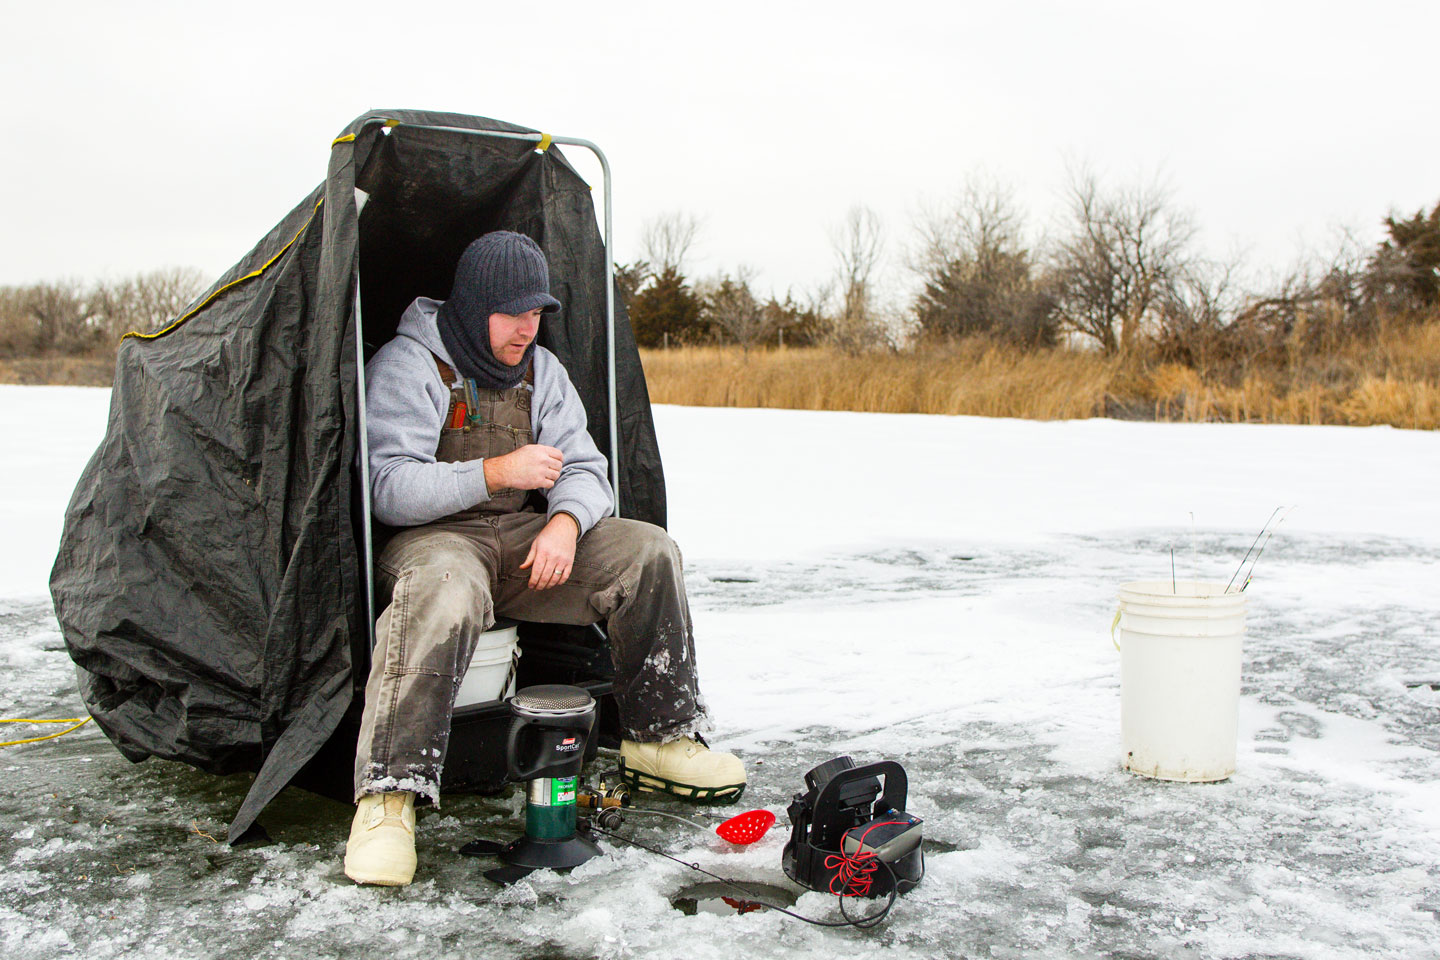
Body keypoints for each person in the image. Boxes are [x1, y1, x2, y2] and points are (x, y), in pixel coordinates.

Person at [343, 231, 744, 886]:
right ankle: (388, 797)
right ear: (474, 307)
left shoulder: (542, 372)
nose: (528, 328)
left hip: (521, 538)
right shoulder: (410, 366)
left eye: (536, 313)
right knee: (445, 583)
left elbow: (586, 468)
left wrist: (564, 521)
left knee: (647, 551)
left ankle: (660, 739)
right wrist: (496, 470)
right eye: (513, 313)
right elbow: (388, 489)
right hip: (435, 540)